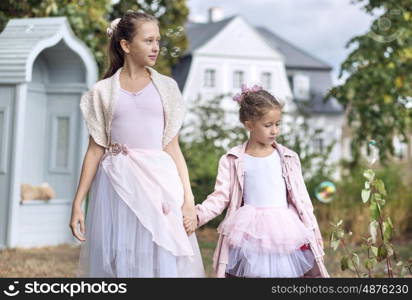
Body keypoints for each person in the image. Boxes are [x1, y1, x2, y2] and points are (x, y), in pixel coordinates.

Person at [69, 11, 205, 277]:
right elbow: (95, 150)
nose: (156, 47)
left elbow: (173, 148)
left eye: (158, 40)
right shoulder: (103, 92)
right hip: (117, 187)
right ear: (126, 45)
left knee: (162, 256)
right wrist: (77, 203)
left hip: (160, 183)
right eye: (148, 41)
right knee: (123, 259)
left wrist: (189, 199)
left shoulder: (166, 88)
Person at [193, 84, 329, 278]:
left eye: (277, 124)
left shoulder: (288, 158)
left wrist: (313, 231)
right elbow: (220, 197)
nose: (274, 130)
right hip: (250, 232)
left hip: (284, 231)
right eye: (268, 125)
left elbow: (303, 201)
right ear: (249, 125)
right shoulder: (233, 159)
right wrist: (198, 215)